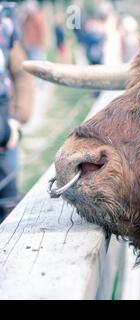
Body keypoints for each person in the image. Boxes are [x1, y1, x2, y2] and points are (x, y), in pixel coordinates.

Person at [0, 2, 33, 223]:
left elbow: (21, 73)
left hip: (5, 118)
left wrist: (17, 117)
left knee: (8, 198)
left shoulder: (6, 23)